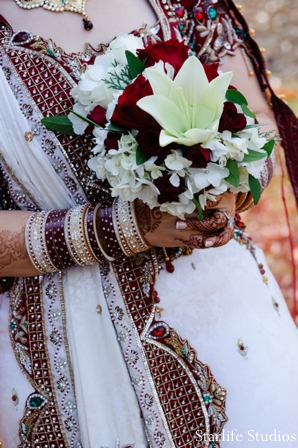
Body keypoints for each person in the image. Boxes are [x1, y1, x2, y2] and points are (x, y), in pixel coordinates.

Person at [0, 1, 298, 447]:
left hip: (230, 317)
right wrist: (126, 227)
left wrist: (230, 181)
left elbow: (256, 117)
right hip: (71, 352)